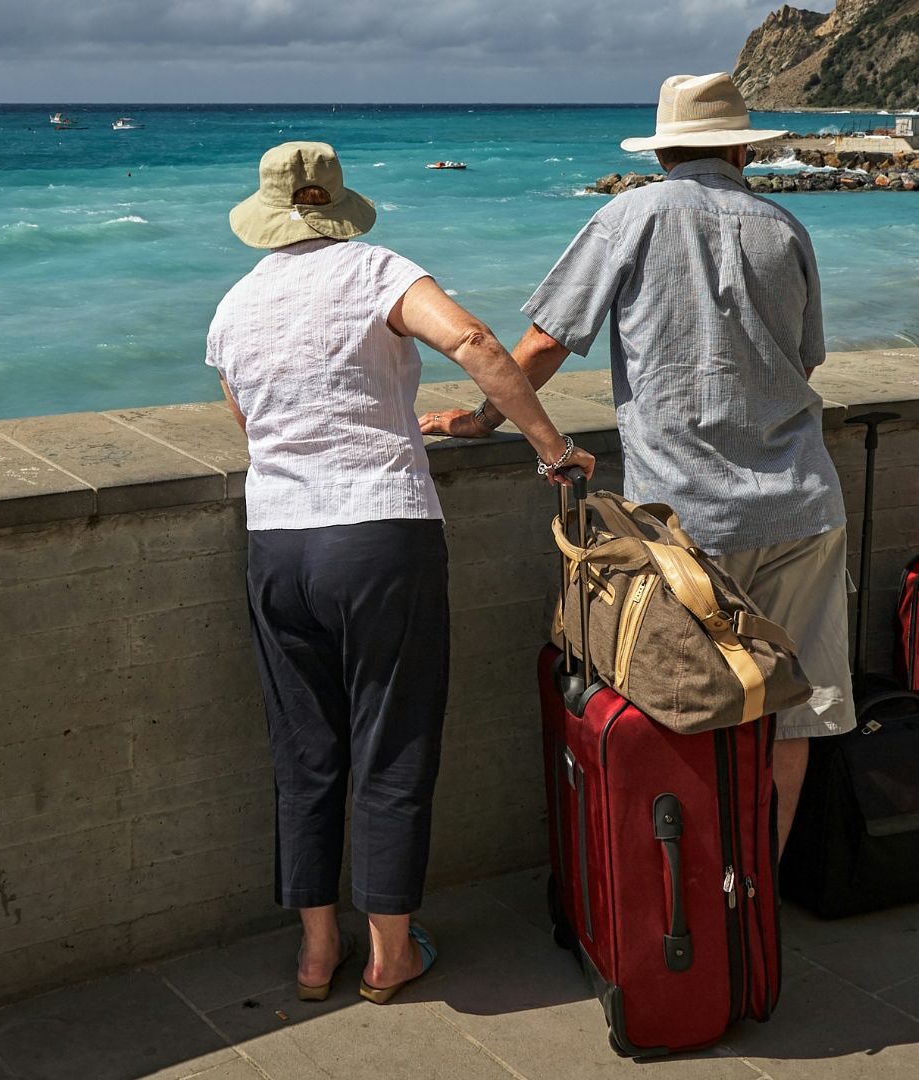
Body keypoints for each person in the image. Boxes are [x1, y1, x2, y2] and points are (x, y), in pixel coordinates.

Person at [420, 73, 852, 858]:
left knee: (686, 707)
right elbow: (805, 363)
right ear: (740, 148)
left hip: (685, 523)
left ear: (662, 152)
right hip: (802, 505)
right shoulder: (784, 227)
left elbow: (547, 341)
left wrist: (482, 418)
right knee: (799, 712)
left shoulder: (631, 215)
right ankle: (758, 899)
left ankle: (695, 902)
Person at [207, 141, 594, 1005]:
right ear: (338, 206)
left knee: (304, 749)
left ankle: (315, 952)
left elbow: (252, 423)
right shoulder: (377, 270)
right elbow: (474, 340)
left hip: (278, 541)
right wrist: (553, 448)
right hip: (379, 533)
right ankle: (388, 953)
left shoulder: (234, 306)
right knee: (393, 739)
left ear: (267, 216)